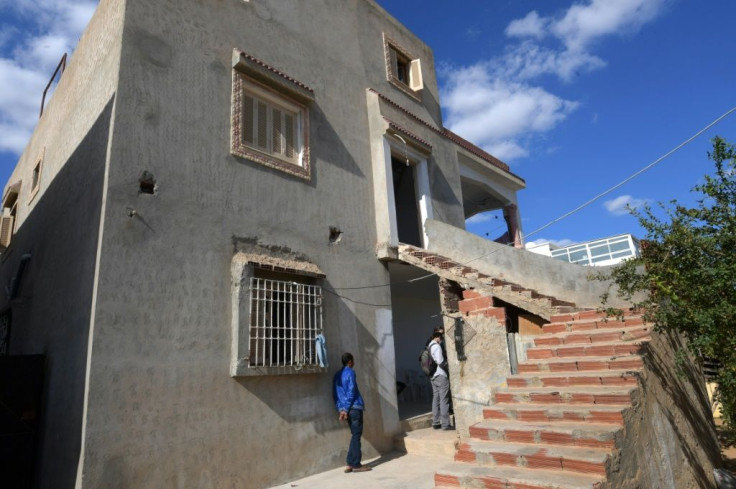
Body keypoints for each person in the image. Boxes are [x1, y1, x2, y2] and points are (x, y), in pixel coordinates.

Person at [333, 352, 372, 473]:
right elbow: (351, 391)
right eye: (353, 361)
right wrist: (345, 409)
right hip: (354, 408)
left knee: (354, 435)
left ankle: (350, 463)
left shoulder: (337, 375)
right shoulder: (350, 372)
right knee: (356, 435)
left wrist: (341, 409)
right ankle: (355, 464)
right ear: (350, 361)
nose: (353, 363)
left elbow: (336, 395)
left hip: (346, 409)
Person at [429, 330, 453, 430]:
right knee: (444, 399)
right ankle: (445, 424)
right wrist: (447, 366)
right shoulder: (437, 346)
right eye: (441, 338)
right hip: (440, 375)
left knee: (436, 398)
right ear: (438, 337)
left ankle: (435, 422)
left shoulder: (429, 346)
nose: (441, 340)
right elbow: (439, 361)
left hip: (433, 376)